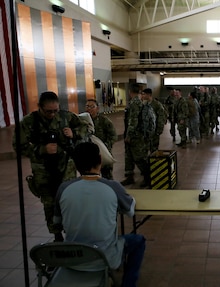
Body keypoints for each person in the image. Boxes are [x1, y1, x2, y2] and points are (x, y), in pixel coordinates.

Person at [54, 142, 146, 287]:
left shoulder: (63, 188)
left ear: (76, 164)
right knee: (138, 240)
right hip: (104, 257)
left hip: (73, 257)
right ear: (100, 160)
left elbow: (57, 222)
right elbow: (130, 211)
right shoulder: (113, 187)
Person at [13, 91, 87, 242]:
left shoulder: (66, 116)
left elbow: (86, 128)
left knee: (68, 200)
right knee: (49, 203)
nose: (52, 114)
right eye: (48, 111)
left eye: (55, 110)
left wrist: (74, 133)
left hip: (66, 166)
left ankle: (71, 232)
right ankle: (56, 235)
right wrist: (41, 149)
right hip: (43, 169)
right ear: (39, 107)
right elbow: (18, 145)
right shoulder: (29, 122)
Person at [121, 83, 151, 187]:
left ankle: (148, 178)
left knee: (139, 157)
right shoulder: (136, 102)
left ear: (130, 92)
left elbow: (133, 120)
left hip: (136, 135)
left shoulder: (135, 103)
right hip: (134, 133)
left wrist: (129, 135)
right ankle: (129, 177)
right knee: (128, 156)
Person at [85, 99, 117, 179]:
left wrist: (105, 146)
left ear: (97, 108)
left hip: (103, 153)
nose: (89, 109)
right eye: (87, 106)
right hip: (89, 154)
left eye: (92, 107)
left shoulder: (104, 121)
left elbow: (113, 136)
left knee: (107, 177)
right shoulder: (83, 121)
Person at [142, 88, 167, 153]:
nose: (143, 96)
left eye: (144, 94)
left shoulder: (157, 104)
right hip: (147, 131)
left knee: (154, 148)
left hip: (155, 130)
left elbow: (161, 117)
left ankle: (154, 162)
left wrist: (159, 130)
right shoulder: (145, 104)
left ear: (149, 95)